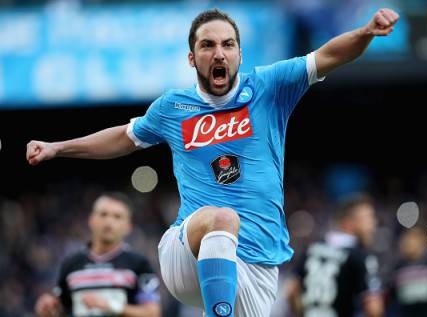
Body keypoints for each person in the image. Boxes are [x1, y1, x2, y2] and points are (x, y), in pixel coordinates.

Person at [26, 8, 399, 317]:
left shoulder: (269, 87)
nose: (218, 53)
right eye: (207, 45)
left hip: (257, 263)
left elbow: (331, 54)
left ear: (239, 54)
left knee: (227, 236)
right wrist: (59, 147)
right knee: (221, 217)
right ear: (192, 58)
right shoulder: (173, 107)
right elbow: (124, 138)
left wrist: (366, 31)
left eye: (227, 45)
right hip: (187, 251)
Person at [34, 192, 161, 317]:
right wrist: (48, 310)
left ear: (128, 226)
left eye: (117, 216)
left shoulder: (139, 264)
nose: (109, 221)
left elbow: (153, 312)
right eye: (103, 214)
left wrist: (111, 306)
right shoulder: (71, 264)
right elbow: (63, 310)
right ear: (91, 220)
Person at [287, 195, 384, 317]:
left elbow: (291, 290)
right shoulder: (360, 256)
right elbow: (374, 309)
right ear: (348, 222)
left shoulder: (312, 249)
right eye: (368, 218)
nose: (374, 224)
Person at [387, 227, 427, 317]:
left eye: (413, 241)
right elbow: (393, 295)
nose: (410, 245)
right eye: (407, 242)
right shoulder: (399, 268)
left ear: (421, 243)